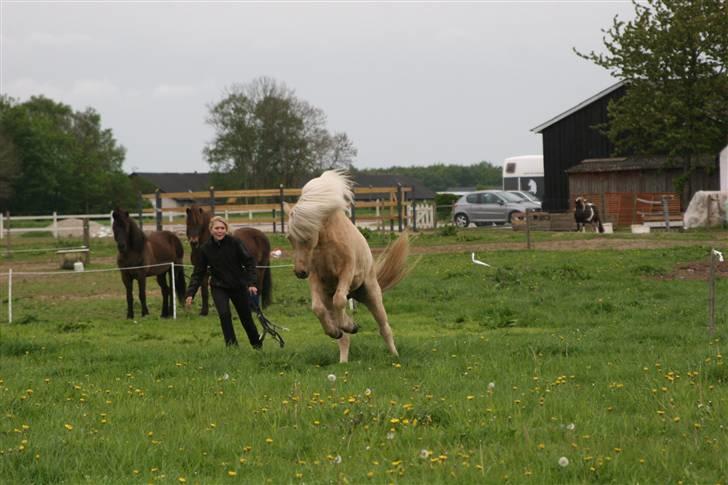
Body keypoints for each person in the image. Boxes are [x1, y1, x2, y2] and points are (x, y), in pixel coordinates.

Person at [185, 216, 262, 348]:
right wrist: (190, 293)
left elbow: (249, 263)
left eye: (222, 228)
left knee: (246, 317)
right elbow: (198, 273)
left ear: (226, 229)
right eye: (216, 228)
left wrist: (252, 283)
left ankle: (256, 344)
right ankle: (232, 346)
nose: (219, 231)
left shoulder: (235, 243)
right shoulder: (205, 249)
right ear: (211, 230)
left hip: (238, 285)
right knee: (224, 315)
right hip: (219, 287)